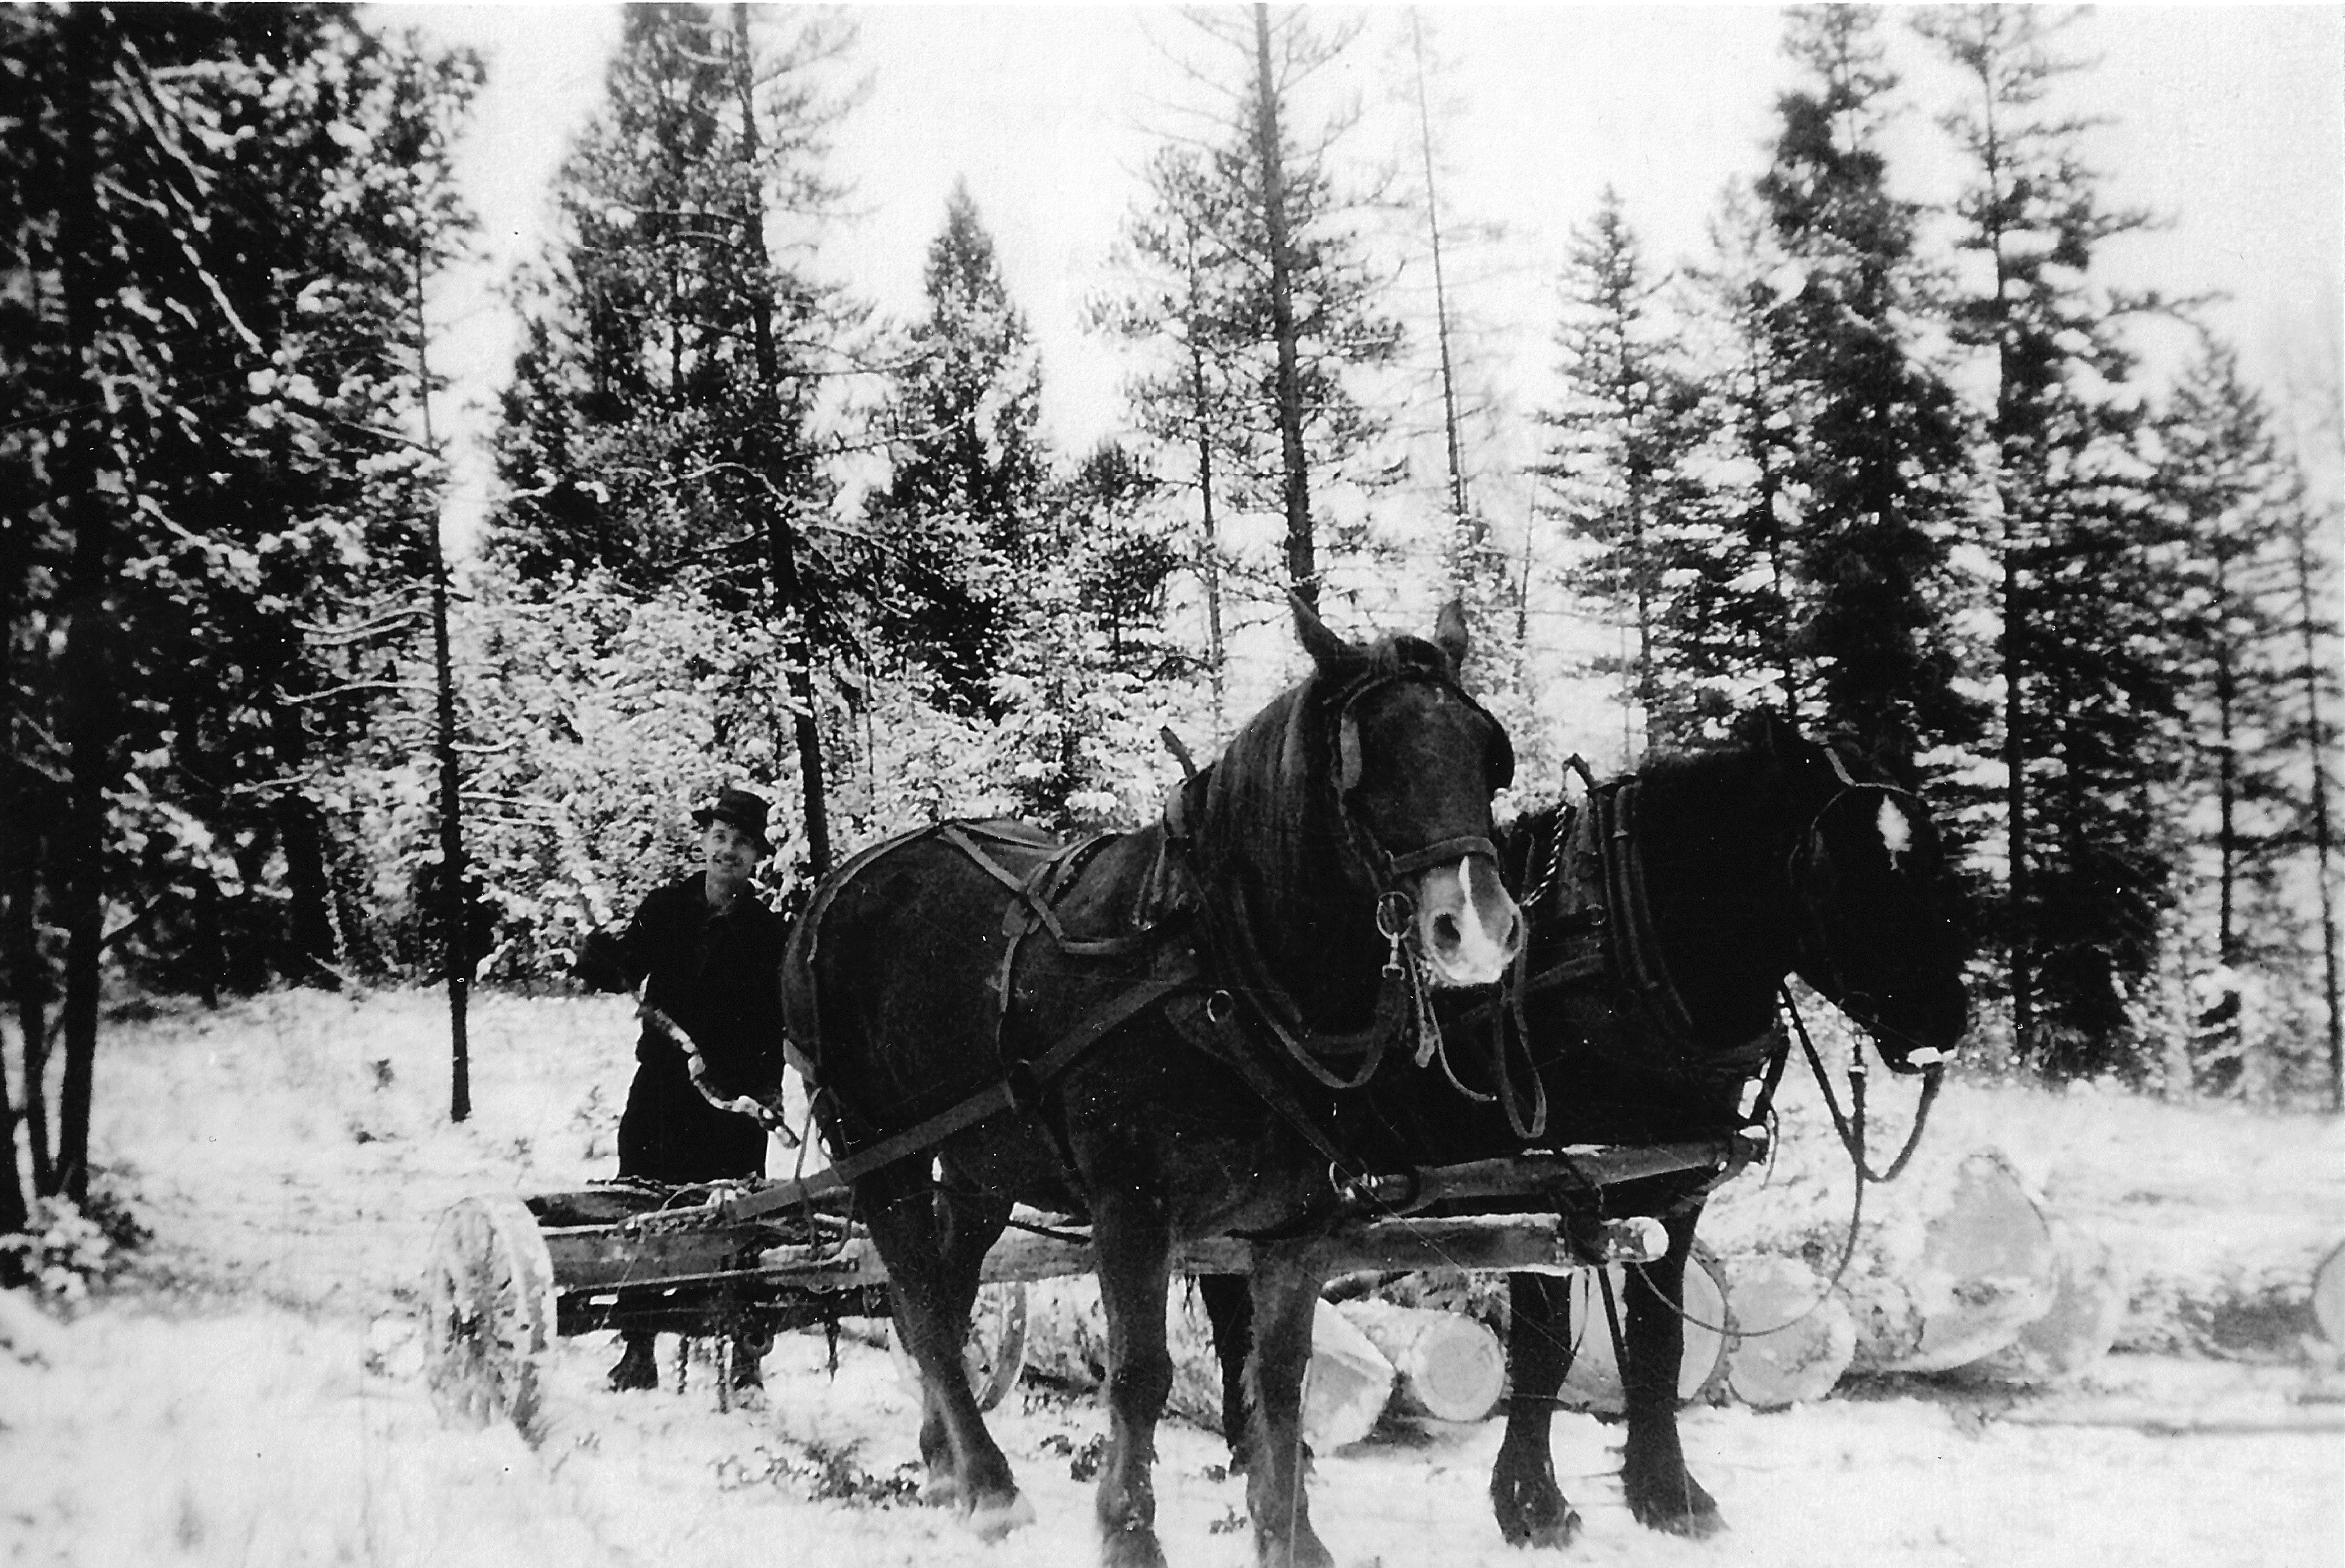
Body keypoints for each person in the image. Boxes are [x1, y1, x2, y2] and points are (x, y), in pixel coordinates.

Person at [573, 786, 791, 1394]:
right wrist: (600, 959)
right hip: (665, 1089)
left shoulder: (767, 932)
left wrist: (768, 1093)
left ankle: (746, 1359)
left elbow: (777, 1020)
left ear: (755, 858)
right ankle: (638, 1348)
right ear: (704, 842)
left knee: (740, 1224)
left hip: (735, 1099)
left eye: (741, 844)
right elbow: (627, 959)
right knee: (644, 1209)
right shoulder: (666, 908)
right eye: (719, 838)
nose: (728, 852)